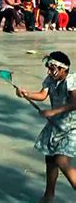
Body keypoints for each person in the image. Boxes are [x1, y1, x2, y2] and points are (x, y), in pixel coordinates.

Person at [15, 51, 76, 203]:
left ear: (63, 69)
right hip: (54, 125)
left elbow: (75, 103)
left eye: (52, 68)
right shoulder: (50, 79)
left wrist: (53, 111)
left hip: (71, 127)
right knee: (50, 161)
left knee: (62, 161)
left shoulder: (71, 80)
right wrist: (26, 93)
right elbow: (42, 95)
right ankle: (49, 196)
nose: (49, 71)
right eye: (48, 68)